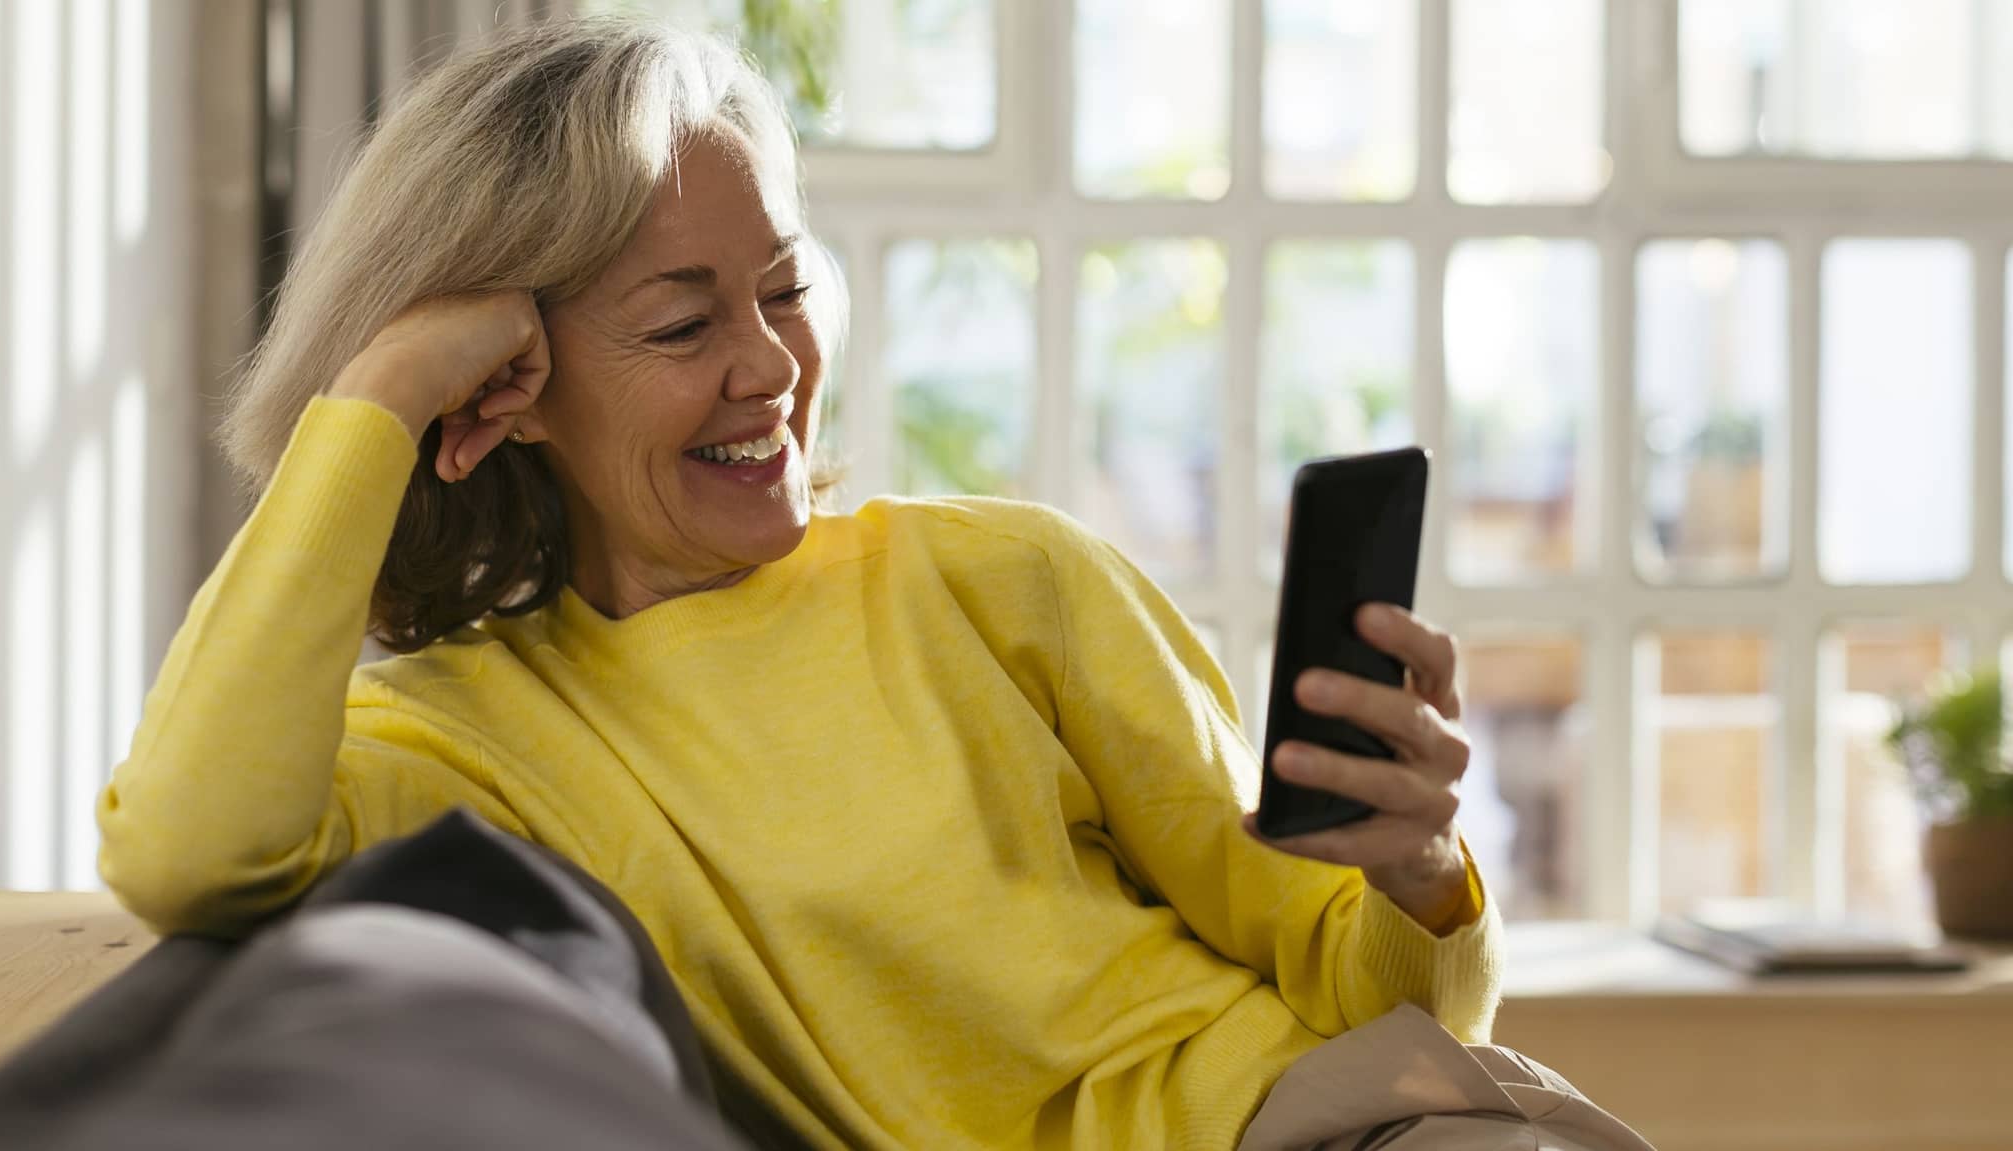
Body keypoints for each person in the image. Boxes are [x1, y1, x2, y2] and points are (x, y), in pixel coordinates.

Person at [97, 16, 1500, 1150]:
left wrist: (1417, 874)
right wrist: (386, 389)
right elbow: (188, 855)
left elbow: (1358, 985)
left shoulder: (1001, 581)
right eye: (682, 321)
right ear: (511, 382)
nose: (769, 367)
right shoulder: (461, 743)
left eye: (781, 288)